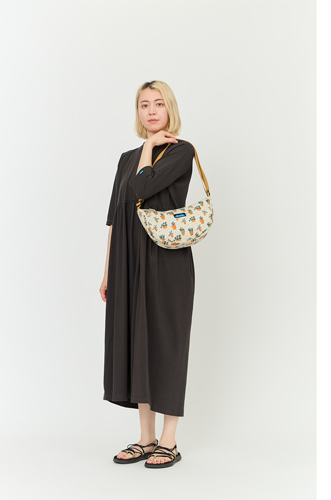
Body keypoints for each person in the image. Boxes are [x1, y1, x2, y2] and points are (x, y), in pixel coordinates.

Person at [99, 80, 196, 469]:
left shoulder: (181, 151)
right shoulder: (127, 157)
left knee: (166, 344)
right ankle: (146, 438)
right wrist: (107, 272)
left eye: (158, 104)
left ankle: (169, 441)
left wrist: (152, 147)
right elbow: (114, 218)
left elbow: (142, 186)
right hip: (128, 262)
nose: (151, 111)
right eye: (144, 105)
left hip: (166, 262)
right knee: (137, 343)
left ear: (170, 109)